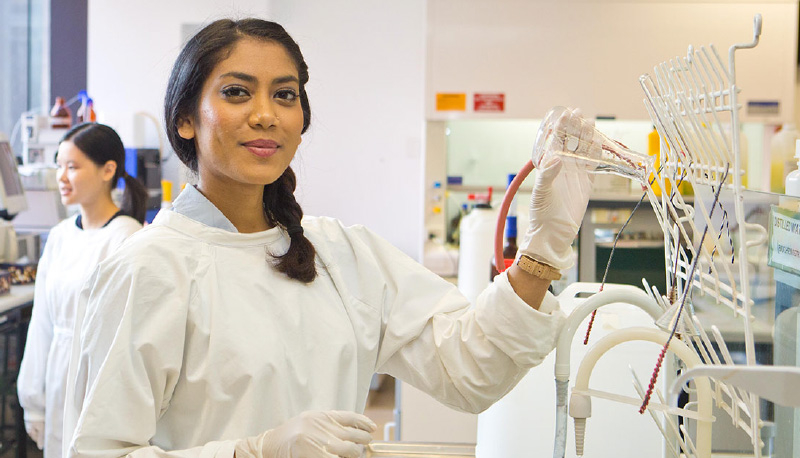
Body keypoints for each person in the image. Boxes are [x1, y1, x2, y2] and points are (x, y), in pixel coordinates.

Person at [63, 19, 595, 458]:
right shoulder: (149, 268)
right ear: (184, 120)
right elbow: (98, 452)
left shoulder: (342, 255)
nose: (266, 114)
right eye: (236, 92)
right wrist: (253, 452)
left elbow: (471, 370)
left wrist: (542, 252)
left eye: (285, 95)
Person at [17, 122, 147, 458]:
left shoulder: (126, 237)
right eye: (59, 166)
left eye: (72, 167)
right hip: (57, 375)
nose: (61, 177)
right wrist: (33, 400)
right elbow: (42, 323)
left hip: (98, 384)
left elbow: (127, 339)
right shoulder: (60, 235)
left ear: (108, 170)